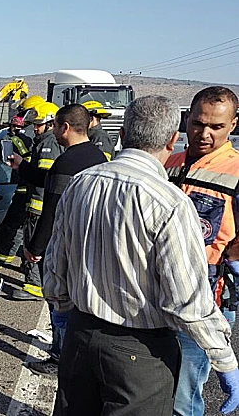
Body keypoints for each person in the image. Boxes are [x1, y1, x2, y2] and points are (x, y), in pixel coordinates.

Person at [44, 95, 239, 416]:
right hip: (141, 349)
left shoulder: (82, 183)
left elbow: (56, 263)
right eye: (198, 124)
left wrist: (63, 311)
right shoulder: (170, 200)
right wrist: (224, 358)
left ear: (121, 133)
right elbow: (186, 299)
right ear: (173, 137)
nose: (205, 133)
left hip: (82, 333)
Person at [8, 104, 106, 376]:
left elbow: (52, 207)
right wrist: (23, 167)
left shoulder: (67, 161)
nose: (52, 130)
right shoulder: (96, 156)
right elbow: (50, 179)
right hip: (90, 243)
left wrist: (35, 247)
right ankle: (76, 353)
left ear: (65, 127)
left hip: (65, 246)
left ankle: (60, 357)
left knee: (59, 302)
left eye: (54, 125)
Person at [165, 86, 239, 416]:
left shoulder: (236, 172)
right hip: (157, 294)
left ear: (233, 125)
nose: (204, 134)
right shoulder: (169, 163)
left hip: (204, 298)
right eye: (197, 123)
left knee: (184, 394)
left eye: (216, 127)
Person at [0, 97, 39, 271]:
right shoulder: (34, 138)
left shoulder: (21, 139)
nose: (13, 129)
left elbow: (1, 149)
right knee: (18, 230)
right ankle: (5, 259)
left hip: (22, 190)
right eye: (13, 126)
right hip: (22, 189)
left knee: (12, 228)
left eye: (17, 126)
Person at [9, 102, 63, 300]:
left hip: (38, 205)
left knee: (34, 244)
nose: (35, 128)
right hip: (40, 204)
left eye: (39, 125)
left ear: (50, 124)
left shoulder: (48, 144)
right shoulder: (46, 141)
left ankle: (33, 285)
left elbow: (44, 178)